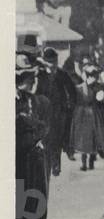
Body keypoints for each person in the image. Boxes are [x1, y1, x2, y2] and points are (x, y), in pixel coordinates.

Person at [16, 52, 51, 219]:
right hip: (18, 158)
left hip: (31, 161)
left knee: (33, 200)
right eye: (28, 77)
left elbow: (43, 126)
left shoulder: (32, 100)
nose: (32, 81)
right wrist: (35, 133)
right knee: (19, 201)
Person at [36, 47, 75, 177]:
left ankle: (56, 165)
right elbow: (36, 92)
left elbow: (72, 90)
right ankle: (47, 164)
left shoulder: (62, 74)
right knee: (46, 138)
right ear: (45, 62)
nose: (53, 65)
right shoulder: (39, 75)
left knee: (56, 138)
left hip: (59, 112)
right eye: (50, 62)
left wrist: (70, 104)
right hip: (44, 112)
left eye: (55, 62)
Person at [71, 65, 104, 170]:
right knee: (83, 139)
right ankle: (84, 163)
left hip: (93, 115)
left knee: (94, 137)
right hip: (82, 115)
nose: (91, 78)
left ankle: (91, 161)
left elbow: (102, 101)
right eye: (89, 76)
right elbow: (75, 100)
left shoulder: (98, 87)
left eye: (93, 76)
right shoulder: (80, 88)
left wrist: (101, 97)